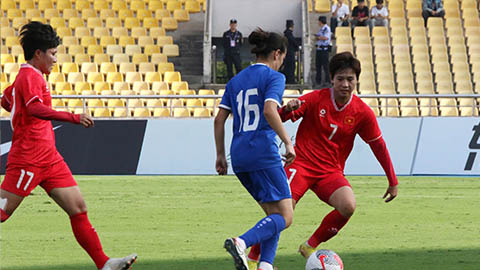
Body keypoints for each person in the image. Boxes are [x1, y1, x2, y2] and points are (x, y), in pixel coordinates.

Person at [0, 22, 137, 270]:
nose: (55, 59)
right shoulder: (30, 76)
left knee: (78, 208)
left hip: (49, 159)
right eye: (52, 54)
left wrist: (15, 106)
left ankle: (104, 263)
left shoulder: (28, 76)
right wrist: (73, 117)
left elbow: (8, 101)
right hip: (28, 159)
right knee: (2, 213)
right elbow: (34, 108)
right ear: (38, 53)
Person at [246, 52, 399, 267]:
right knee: (281, 212)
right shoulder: (315, 98)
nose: (345, 84)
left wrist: (393, 181)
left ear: (357, 80)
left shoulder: (363, 113)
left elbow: (378, 145)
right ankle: (253, 259)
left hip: (330, 172)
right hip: (301, 165)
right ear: (331, 79)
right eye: (340, 79)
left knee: (348, 205)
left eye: (350, 79)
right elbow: (278, 118)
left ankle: (309, 246)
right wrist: (286, 109)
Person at [214, 28, 295, 270]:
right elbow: (269, 111)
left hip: (239, 155)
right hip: (262, 151)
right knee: (285, 216)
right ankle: (241, 242)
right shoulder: (274, 77)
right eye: (283, 58)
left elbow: (219, 119)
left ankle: (266, 266)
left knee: (273, 214)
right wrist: (288, 142)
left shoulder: (236, 80)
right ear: (277, 54)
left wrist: (220, 155)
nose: (282, 63)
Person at [315, 16, 331, 87]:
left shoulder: (326, 28)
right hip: (319, 49)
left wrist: (318, 37)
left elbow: (326, 37)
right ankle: (318, 81)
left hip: (324, 50)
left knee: (325, 66)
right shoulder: (321, 29)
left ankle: (327, 81)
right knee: (318, 66)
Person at [282, 19, 300, 84]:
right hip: (290, 53)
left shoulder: (286, 34)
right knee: (291, 67)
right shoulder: (289, 34)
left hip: (288, 53)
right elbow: (294, 42)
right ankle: (291, 80)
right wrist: (297, 47)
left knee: (288, 67)